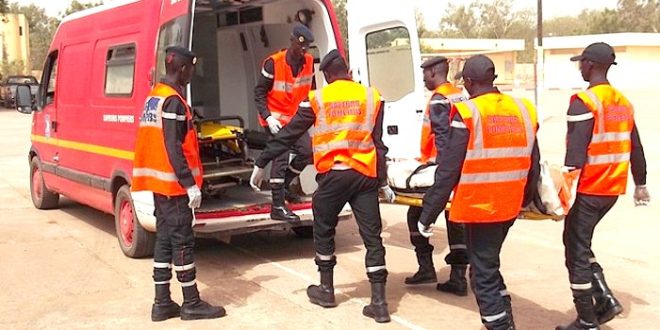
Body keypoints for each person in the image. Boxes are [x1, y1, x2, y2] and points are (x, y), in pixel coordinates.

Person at [249, 49, 395, 323]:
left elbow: (288, 134)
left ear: (326, 76)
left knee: (323, 228)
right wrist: (383, 181)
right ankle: (380, 303)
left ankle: (326, 289)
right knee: (372, 238)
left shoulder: (317, 98)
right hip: (365, 176)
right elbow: (379, 144)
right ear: (348, 73)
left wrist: (262, 162)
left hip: (334, 177)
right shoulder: (372, 96)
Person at [417, 55, 540, 330]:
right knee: (489, 265)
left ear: (469, 82)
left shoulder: (469, 113)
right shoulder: (523, 109)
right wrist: (526, 200)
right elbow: (534, 163)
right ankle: (506, 319)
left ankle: (500, 326)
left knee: (482, 277)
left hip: (481, 206)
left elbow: (448, 169)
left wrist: (427, 215)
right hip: (509, 205)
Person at [555, 42, 649, 330]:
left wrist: (559, 194)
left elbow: (575, 157)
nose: (579, 67)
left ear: (591, 65)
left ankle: (587, 319)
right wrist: (640, 183)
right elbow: (636, 148)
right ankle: (604, 298)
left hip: (588, 189)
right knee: (580, 243)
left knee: (575, 252)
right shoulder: (623, 103)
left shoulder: (585, 102)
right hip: (612, 190)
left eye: (581, 62)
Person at [132, 46, 225, 322]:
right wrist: (190, 184)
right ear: (183, 68)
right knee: (183, 242)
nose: (192, 73)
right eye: (191, 68)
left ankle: (162, 303)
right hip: (174, 187)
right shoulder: (172, 101)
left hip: (160, 185)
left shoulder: (154, 97)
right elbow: (173, 146)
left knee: (164, 241)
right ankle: (191, 302)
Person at [404, 56, 470, 298]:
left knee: (415, 213)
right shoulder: (460, 94)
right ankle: (458, 276)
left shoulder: (439, 99)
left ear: (433, 72)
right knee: (456, 220)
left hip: (441, 168)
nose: (423, 78)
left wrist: (443, 175)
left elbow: (443, 139)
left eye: (424, 73)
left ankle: (426, 267)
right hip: (461, 165)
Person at [254, 23, 316, 222]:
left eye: (306, 47)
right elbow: (259, 93)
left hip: (296, 120)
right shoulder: (273, 63)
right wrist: (268, 117)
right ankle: (277, 206)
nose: (303, 50)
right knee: (280, 157)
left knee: (306, 152)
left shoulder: (308, 61)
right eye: (300, 46)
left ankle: (286, 185)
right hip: (275, 119)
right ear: (291, 41)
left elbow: (311, 91)